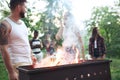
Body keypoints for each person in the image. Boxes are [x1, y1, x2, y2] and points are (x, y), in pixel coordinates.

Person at [0, 0, 34, 80]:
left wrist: (31, 55)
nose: (26, 10)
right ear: (19, 7)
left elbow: (24, 41)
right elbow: (3, 49)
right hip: (17, 65)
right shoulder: (5, 25)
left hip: (28, 63)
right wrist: (11, 72)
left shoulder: (22, 24)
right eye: (25, 7)